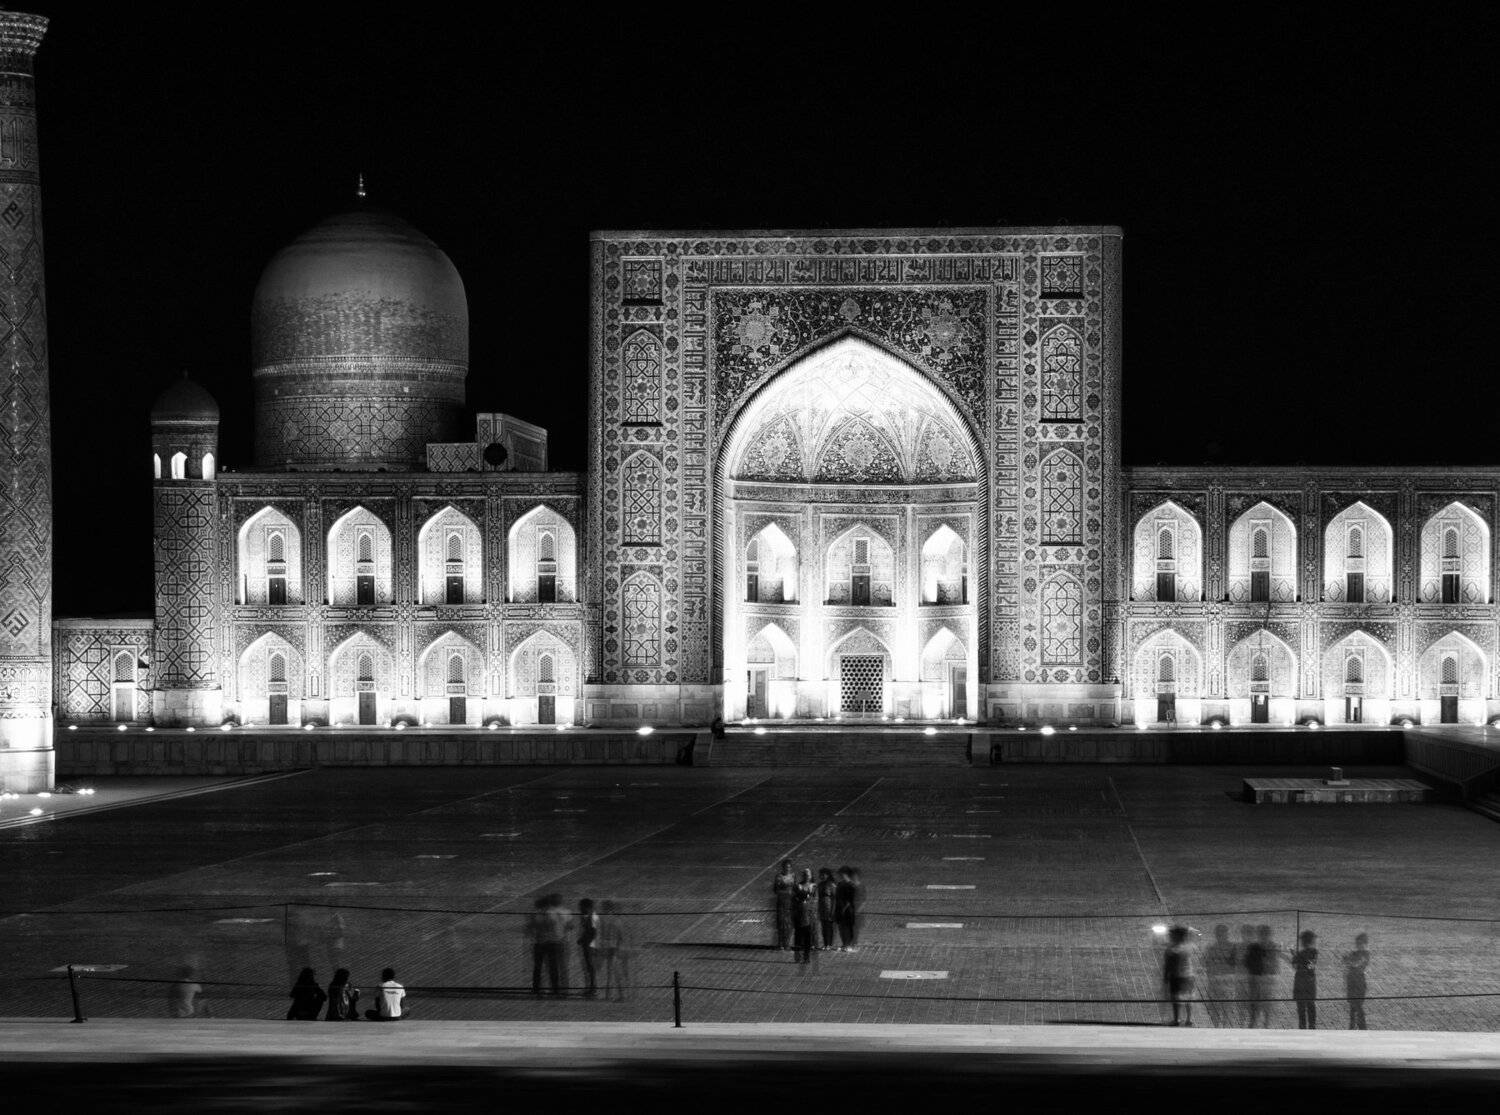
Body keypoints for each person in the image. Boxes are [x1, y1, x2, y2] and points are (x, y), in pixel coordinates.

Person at [1244, 925, 1281, 1028]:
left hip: (1264, 980)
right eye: (1263, 934)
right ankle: (1259, 1026)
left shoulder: (1272, 946)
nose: (1264, 936)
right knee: (1258, 1011)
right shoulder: (1256, 947)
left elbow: (1274, 965)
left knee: (1263, 1011)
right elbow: (1248, 963)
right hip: (1259, 980)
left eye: (1266, 934)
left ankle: (1260, 1027)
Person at [1203, 924, 1238, 1028]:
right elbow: (1235, 964)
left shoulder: (1211, 948)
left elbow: (1207, 964)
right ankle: (1224, 1031)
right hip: (1226, 982)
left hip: (1217, 982)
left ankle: (1217, 1030)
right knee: (1225, 1010)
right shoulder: (1232, 947)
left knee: (1216, 1011)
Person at [1162, 925, 1197, 1026]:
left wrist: (1165, 977)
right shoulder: (1188, 946)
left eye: (1171, 935)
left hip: (1177, 976)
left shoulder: (1172, 949)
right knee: (1189, 998)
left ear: (1176, 936)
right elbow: (1194, 935)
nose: (1170, 936)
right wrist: (1189, 930)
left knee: (1176, 998)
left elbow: (1168, 965)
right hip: (1189, 975)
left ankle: (1177, 1019)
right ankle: (1189, 1019)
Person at [599, 899, 630, 1001]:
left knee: (613, 972)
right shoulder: (618, 920)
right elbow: (622, 936)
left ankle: (617, 995)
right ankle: (616, 994)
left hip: (612, 949)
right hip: (617, 948)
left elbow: (610, 937)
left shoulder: (608, 921)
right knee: (615, 972)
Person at [1290, 929, 1319, 1029]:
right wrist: (1295, 955)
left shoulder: (1302, 954)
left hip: (1301, 982)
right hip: (1309, 982)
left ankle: (1304, 1027)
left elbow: (1297, 966)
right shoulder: (1314, 952)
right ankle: (1311, 1026)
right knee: (1310, 1005)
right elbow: (1309, 965)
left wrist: (1296, 956)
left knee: (1302, 1007)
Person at [1342, 933, 1370, 1030]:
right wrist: (1347, 959)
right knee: (1352, 1007)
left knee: (1358, 1005)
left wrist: (1348, 960)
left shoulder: (1366, 954)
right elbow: (1346, 962)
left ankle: (1362, 1027)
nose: (1359, 946)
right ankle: (1352, 1026)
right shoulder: (1355, 953)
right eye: (1357, 944)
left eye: (1361, 944)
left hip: (1359, 983)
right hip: (1351, 982)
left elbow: (1355, 963)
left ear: (1365, 944)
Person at [791, 868, 817, 964]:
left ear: (811, 876)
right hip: (799, 915)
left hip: (809, 916)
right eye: (805, 874)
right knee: (798, 937)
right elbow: (793, 900)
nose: (807, 876)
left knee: (807, 938)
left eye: (808, 874)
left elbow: (815, 900)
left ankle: (806, 957)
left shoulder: (814, 886)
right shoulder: (798, 886)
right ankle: (798, 956)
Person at [577, 897, 600, 997]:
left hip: (590, 945)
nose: (580, 910)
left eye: (581, 907)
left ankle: (592, 988)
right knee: (589, 967)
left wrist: (583, 940)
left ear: (587, 907)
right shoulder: (589, 916)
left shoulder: (592, 917)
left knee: (590, 966)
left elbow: (592, 932)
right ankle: (590, 987)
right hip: (589, 944)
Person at [834, 866, 859, 952]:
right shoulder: (840, 884)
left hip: (848, 910)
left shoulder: (851, 885)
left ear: (845, 874)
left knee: (848, 928)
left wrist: (844, 908)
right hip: (839, 908)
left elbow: (850, 899)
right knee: (841, 928)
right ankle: (844, 944)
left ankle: (849, 945)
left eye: (841, 874)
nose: (839, 876)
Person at [773, 859, 795, 950]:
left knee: (789, 924)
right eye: (786, 867)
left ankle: (787, 943)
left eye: (789, 867)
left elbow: (795, 888)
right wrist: (786, 892)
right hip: (782, 903)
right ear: (783, 868)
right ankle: (780, 943)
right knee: (781, 923)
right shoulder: (779, 877)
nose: (787, 869)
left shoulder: (793, 876)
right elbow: (776, 890)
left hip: (791, 903)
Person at [816, 867, 838, 951]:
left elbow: (835, 898)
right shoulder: (820, 884)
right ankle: (825, 944)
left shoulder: (831, 885)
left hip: (829, 908)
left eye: (823, 874)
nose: (821, 876)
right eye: (820, 875)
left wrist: (833, 910)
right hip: (822, 908)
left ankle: (829, 944)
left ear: (827, 875)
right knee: (824, 927)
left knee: (829, 926)